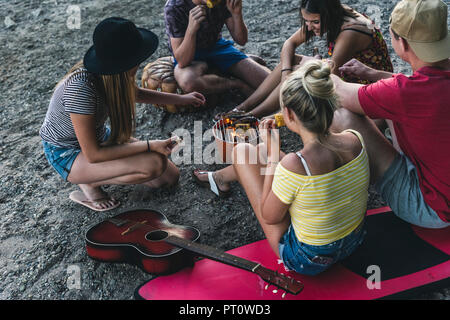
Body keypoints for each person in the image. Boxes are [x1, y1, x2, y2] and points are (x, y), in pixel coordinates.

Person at [194, 60, 370, 275]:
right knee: (257, 150)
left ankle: (223, 176)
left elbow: (270, 217)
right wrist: (269, 151)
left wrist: (273, 158)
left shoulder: (295, 164)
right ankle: (221, 177)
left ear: (288, 114)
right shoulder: (354, 139)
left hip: (309, 259)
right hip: (354, 240)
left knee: (242, 151)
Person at [39, 17, 205, 211]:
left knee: (169, 178)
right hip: (67, 151)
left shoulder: (112, 76)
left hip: (98, 137)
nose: (140, 63)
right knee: (153, 164)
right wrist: (151, 145)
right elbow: (93, 154)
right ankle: (89, 183)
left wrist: (183, 99)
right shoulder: (81, 91)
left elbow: (134, 93)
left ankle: (93, 174)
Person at [330, 0, 450, 228]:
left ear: (401, 42)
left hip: (432, 209)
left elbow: (340, 91)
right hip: (443, 185)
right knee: (387, 110)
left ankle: (338, 191)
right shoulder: (417, 88)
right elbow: (417, 87)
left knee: (343, 116)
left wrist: (322, 68)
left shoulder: (404, 94)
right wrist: (373, 74)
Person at [219, 0, 393, 119]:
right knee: (291, 62)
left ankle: (253, 115)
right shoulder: (328, 16)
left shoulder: (350, 31)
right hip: (346, 70)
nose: (310, 27)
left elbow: (331, 71)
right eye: (306, 21)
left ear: (328, 15)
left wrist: (295, 73)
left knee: (299, 70)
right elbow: (289, 44)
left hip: (365, 83)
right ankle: (242, 108)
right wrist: (286, 73)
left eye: (314, 22)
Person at [164, 0, 270, 99]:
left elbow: (241, 40)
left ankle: (240, 63)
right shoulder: (174, 7)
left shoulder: (221, 2)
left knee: (269, 82)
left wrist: (237, 14)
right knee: (188, 82)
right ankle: (236, 84)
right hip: (191, 55)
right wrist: (191, 30)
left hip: (217, 47)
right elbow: (182, 61)